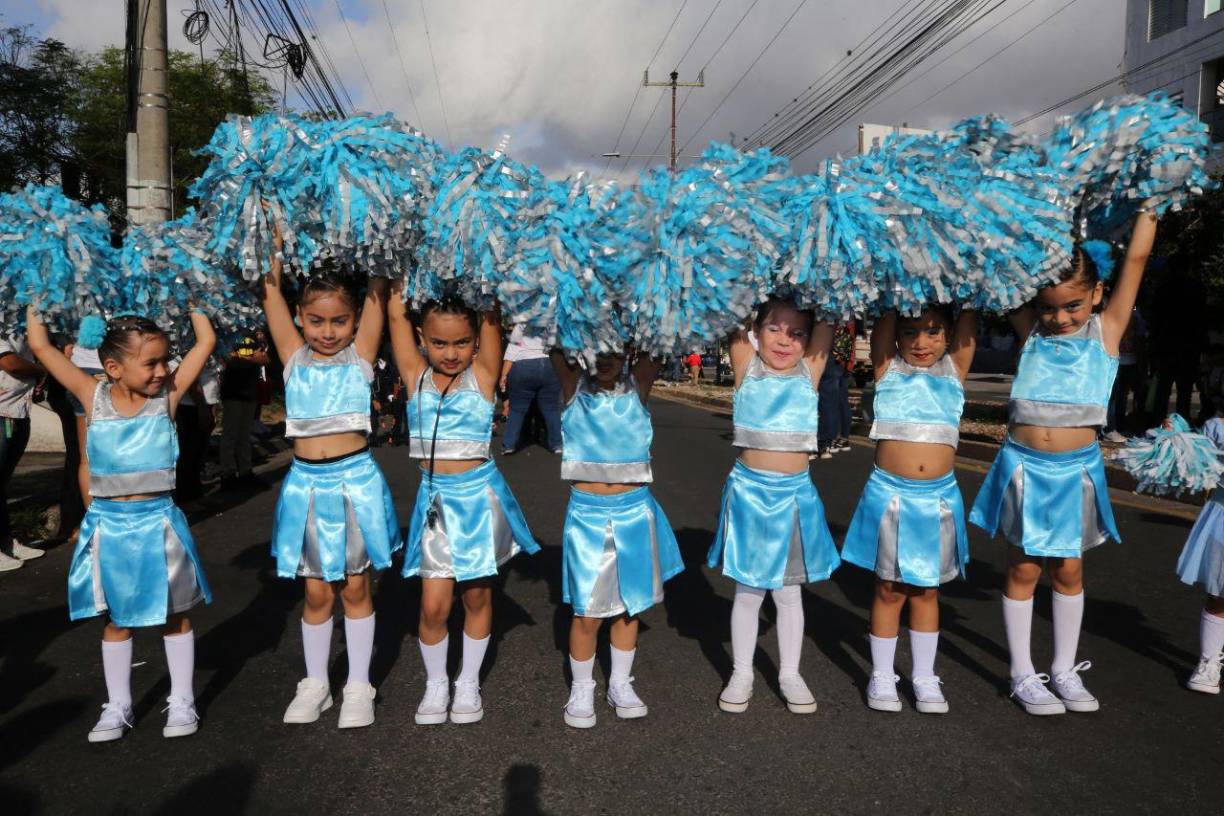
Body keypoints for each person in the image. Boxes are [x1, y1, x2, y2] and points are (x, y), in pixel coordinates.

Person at [970, 213, 1158, 715]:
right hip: (1025, 469)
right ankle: (1021, 673)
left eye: (1072, 305)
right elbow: (998, 266)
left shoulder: (1107, 331)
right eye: (1048, 308)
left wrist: (1151, 205)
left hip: (1076, 472)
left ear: (1097, 293)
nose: (1059, 318)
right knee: (1023, 567)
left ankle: (1063, 669)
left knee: (1069, 571)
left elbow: (1137, 259)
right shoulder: (1031, 332)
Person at [27, 308, 216, 741]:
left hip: (158, 526)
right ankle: (118, 704)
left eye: (165, 360)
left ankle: (182, 699)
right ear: (113, 367)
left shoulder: (166, 398)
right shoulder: (91, 396)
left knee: (175, 615)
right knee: (115, 619)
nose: (162, 371)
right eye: (150, 363)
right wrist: (40, 295)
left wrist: (194, 296)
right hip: (109, 528)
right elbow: (40, 345)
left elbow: (204, 342)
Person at [261, 235, 400, 730]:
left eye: (339, 321)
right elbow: (271, 291)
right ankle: (315, 682)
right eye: (316, 320)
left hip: (354, 483)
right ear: (300, 317)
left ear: (355, 321)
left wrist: (381, 231)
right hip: (306, 486)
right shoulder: (292, 358)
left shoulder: (360, 357)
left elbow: (377, 290)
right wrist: (274, 242)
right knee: (317, 593)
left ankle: (359, 685)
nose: (327, 331)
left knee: (356, 588)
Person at [389, 287, 538, 726]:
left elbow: (491, 314)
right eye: (439, 343)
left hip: (477, 502)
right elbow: (395, 317)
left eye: (461, 343)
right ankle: (436, 682)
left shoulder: (483, 375)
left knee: (477, 594)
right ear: (421, 338)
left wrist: (485, 279)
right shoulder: (415, 375)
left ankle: (468, 681)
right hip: (434, 501)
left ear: (476, 341)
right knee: (433, 605)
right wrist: (393, 276)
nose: (451, 353)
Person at [707, 296, 841, 715]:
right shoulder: (745, 366)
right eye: (774, 329)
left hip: (794, 497)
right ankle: (742, 672)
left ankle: (790, 673)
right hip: (748, 494)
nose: (785, 340)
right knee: (748, 590)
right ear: (754, 332)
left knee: (788, 592)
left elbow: (833, 305)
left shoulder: (810, 371)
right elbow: (730, 299)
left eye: (797, 333)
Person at [840, 307, 977, 714]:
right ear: (896, 336)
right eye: (910, 332)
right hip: (891, 496)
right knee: (888, 588)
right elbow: (886, 312)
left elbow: (969, 315)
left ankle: (924, 675)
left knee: (927, 589)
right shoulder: (888, 370)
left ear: (950, 336)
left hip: (938, 500)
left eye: (933, 332)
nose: (921, 342)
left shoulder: (955, 371)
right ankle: (882, 674)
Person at [550, 350, 683, 728]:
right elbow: (551, 337)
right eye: (597, 348)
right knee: (587, 611)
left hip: (634, 513)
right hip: (587, 517)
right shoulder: (572, 384)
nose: (604, 359)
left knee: (629, 606)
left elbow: (662, 335)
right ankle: (582, 688)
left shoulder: (638, 383)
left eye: (614, 349)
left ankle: (620, 683)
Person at [1174, 406, 1224, 695]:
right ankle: (1208, 662)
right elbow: (1191, 464)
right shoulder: (1216, 427)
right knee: (1220, 593)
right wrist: (1174, 439)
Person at [0, 334, 46, 570]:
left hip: (16, 411)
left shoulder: (19, 325)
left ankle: (6, 543)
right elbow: (10, 363)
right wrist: (41, 371)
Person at [500, 325, 562, 455]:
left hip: (523, 365)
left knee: (517, 409)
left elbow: (511, 353)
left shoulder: (521, 325)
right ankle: (556, 444)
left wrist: (503, 375)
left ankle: (509, 445)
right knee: (551, 409)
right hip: (549, 364)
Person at [218, 332, 270, 490]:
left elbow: (265, 359)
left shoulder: (252, 336)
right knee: (230, 434)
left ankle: (245, 472)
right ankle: (228, 474)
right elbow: (228, 361)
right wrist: (253, 359)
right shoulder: (227, 336)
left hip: (250, 392)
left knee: (245, 435)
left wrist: (244, 359)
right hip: (233, 393)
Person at [175, 360, 219, 502]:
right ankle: (187, 498)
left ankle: (195, 495)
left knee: (198, 453)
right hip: (191, 405)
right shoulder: (189, 349)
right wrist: (202, 407)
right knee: (189, 454)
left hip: (204, 404)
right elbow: (191, 379)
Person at [1104, 305, 1146, 441]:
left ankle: (1117, 426)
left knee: (1119, 396)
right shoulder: (1132, 315)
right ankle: (1112, 427)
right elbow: (1139, 340)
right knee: (1116, 397)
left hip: (1125, 361)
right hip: (1120, 361)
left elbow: (1139, 339)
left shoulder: (1133, 314)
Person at [817, 321, 855, 457]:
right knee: (839, 401)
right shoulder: (848, 318)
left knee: (827, 401)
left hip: (829, 355)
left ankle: (825, 442)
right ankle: (840, 439)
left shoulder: (832, 318)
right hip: (842, 359)